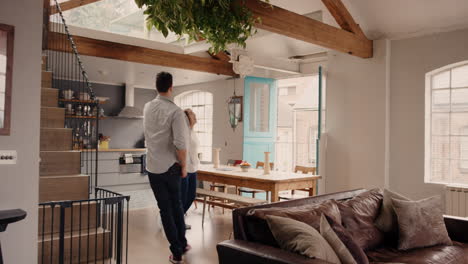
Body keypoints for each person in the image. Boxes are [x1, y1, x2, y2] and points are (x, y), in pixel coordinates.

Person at [143, 72, 190, 264]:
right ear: (171, 87)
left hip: (153, 166)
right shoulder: (176, 112)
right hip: (171, 167)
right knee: (176, 205)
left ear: (156, 87)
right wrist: (184, 166)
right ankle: (178, 249)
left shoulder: (147, 107)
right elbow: (180, 144)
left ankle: (180, 246)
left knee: (166, 209)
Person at [180, 109, 200, 229]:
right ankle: (178, 221)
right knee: (182, 196)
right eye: (193, 115)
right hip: (185, 168)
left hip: (193, 168)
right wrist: (183, 166)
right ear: (187, 118)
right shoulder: (184, 132)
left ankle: (177, 218)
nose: (195, 116)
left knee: (191, 195)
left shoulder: (193, 131)